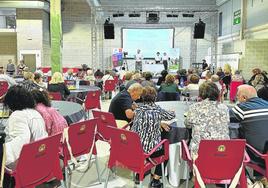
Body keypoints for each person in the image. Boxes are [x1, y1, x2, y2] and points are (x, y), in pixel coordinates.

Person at [131, 86, 175, 188]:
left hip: (135, 148)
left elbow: (146, 121)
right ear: (155, 97)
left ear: (142, 97)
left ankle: (139, 173)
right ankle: (156, 180)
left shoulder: (138, 109)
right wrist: (172, 111)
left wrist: (159, 122)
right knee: (166, 150)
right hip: (150, 151)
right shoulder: (157, 110)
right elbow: (171, 116)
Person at [3, 85, 47, 168]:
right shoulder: (35, 113)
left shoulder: (17, 115)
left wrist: (3, 153)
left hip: (26, 163)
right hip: (40, 158)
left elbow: (21, 142)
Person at [185, 81, 230, 156]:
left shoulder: (194, 107)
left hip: (200, 152)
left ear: (201, 93)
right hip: (221, 151)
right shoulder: (224, 108)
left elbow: (188, 124)